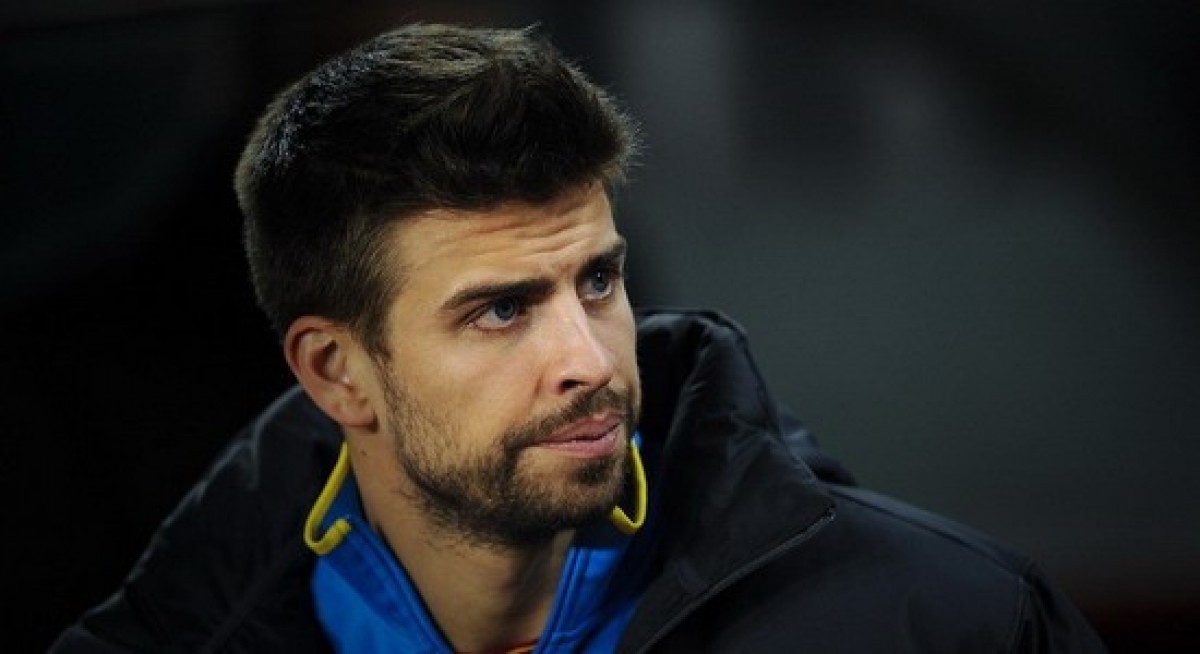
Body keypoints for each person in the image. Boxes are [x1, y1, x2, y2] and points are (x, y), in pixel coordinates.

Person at [51, 23, 1107, 653]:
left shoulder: (950, 624)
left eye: (597, 281)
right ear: (338, 374)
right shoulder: (185, 633)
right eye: (501, 310)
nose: (592, 362)